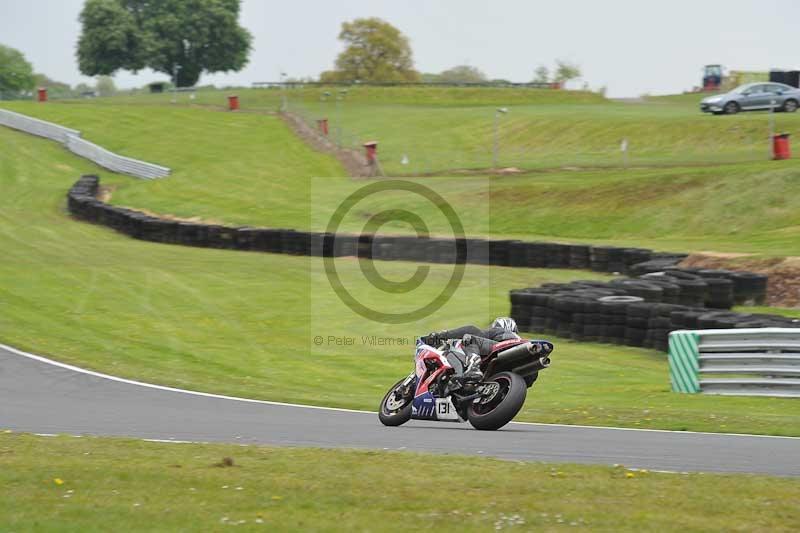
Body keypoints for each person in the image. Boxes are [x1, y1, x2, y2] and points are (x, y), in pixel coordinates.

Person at [419, 317, 520, 384]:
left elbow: (471, 330)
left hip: (501, 348)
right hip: (512, 370)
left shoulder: (498, 331)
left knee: (469, 337)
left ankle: (473, 368)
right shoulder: (520, 341)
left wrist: (440, 336)